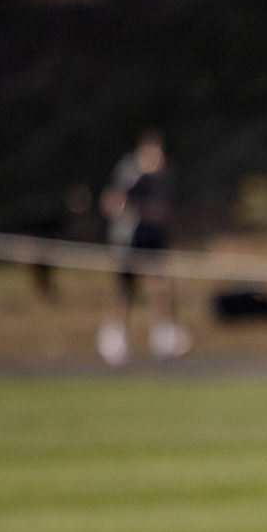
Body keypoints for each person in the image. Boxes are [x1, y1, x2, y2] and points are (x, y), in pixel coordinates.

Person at [98, 130, 190, 366]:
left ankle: (164, 337)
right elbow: (110, 202)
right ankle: (115, 340)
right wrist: (144, 211)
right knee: (125, 291)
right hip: (128, 239)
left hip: (153, 239)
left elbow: (166, 210)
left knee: (162, 286)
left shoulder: (164, 173)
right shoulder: (130, 172)